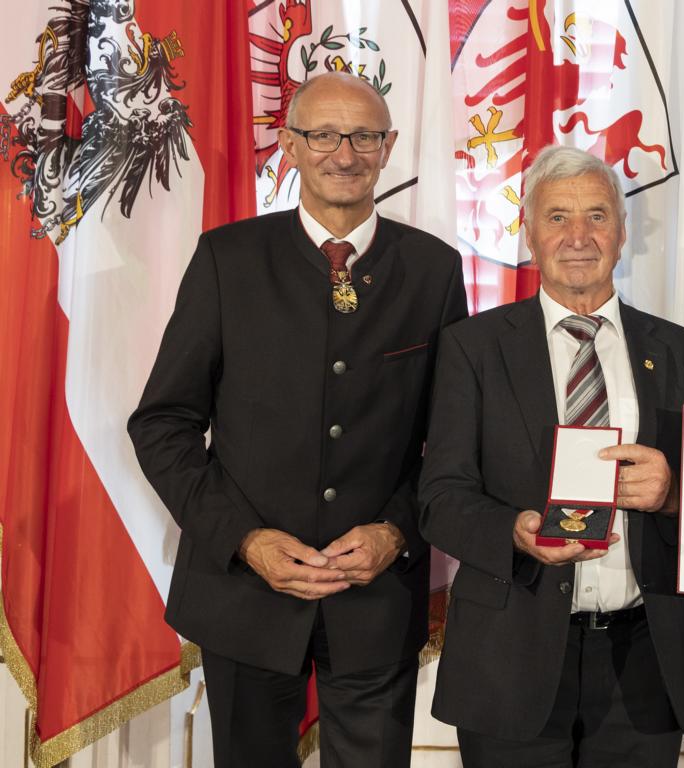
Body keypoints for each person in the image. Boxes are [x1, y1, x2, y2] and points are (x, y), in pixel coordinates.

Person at [127, 71, 467, 768]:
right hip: (242, 596)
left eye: (365, 136)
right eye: (322, 135)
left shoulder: (434, 269)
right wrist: (244, 540)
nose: (345, 154)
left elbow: (453, 440)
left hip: (376, 600)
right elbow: (162, 424)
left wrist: (395, 531)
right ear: (288, 145)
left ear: (389, 144)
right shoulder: (228, 259)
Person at [418, 145, 684, 767]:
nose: (578, 236)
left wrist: (676, 491)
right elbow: (440, 498)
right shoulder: (473, 348)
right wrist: (514, 533)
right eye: (557, 217)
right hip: (509, 655)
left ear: (623, 231)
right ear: (528, 233)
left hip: (644, 661)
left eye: (597, 216)